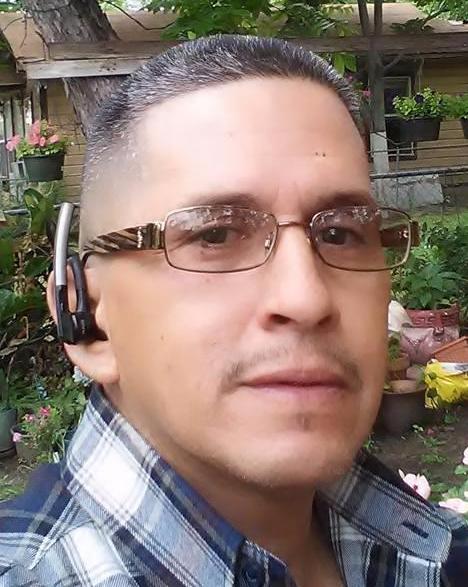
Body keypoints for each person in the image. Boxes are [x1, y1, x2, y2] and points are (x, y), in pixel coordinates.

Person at [0, 35, 466, 587]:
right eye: (215, 235)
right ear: (90, 321)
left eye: (341, 233)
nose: (306, 299)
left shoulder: (437, 557)